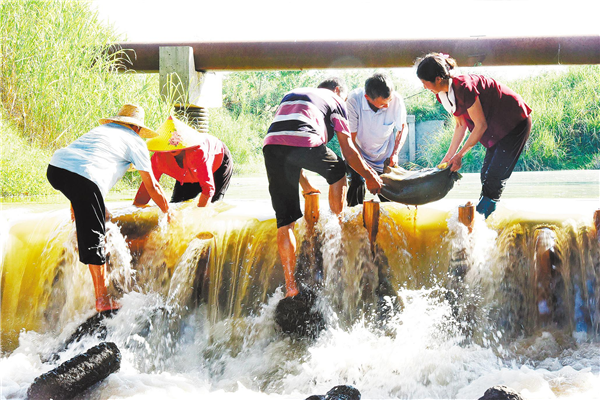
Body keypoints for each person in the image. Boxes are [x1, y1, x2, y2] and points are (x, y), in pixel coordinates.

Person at [263, 77, 383, 298]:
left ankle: (291, 287)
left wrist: (306, 184)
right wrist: (369, 176)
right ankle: (336, 226)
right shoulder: (336, 100)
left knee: (285, 222)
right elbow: (348, 151)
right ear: (338, 90)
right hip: (306, 140)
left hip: (271, 145)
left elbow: (286, 140)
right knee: (337, 170)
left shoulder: (293, 93)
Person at [47, 104, 171, 312]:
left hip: (56, 169)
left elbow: (77, 170)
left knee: (101, 215)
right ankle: (102, 300)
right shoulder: (135, 141)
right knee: (97, 236)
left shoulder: (100, 132)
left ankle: (80, 229)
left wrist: (76, 210)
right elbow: (153, 186)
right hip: (85, 177)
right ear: (137, 128)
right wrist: (168, 212)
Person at [417, 53, 532, 218]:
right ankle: (490, 218)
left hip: (514, 122)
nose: (424, 87)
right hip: (496, 128)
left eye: (424, 82)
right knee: (485, 175)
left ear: (437, 79)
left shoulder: (464, 87)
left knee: (493, 179)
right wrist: (448, 157)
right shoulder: (442, 93)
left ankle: (480, 222)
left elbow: (480, 125)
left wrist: (460, 155)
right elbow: (461, 125)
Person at [133, 115, 233, 208]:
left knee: (214, 205)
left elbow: (208, 190)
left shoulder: (198, 152)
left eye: (176, 143)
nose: (173, 147)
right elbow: (148, 187)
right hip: (186, 175)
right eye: (169, 144)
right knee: (177, 206)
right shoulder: (158, 158)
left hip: (218, 162)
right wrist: (134, 211)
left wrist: (198, 216)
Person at [345, 72, 408, 206]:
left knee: (390, 198)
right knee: (357, 183)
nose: (387, 107)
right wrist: (367, 172)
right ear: (367, 97)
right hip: (357, 153)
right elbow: (350, 140)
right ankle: (352, 223)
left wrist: (395, 153)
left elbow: (402, 128)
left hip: (384, 156)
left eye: (389, 102)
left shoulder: (396, 100)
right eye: (382, 104)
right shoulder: (353, 101)